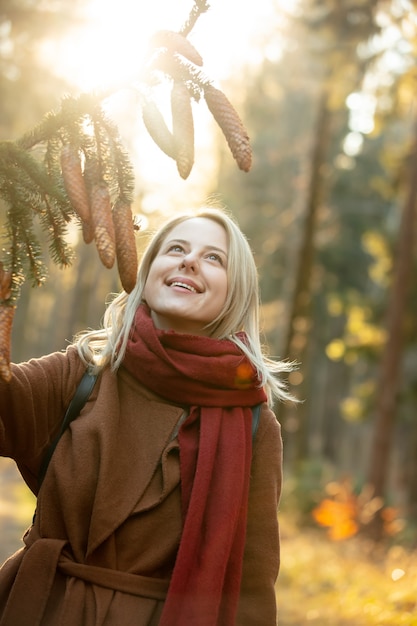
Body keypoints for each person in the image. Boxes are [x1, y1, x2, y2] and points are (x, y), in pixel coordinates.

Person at [0, 206, 294, 625]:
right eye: (176, 248)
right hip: (39, 608)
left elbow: (251, 584)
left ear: (235, 292)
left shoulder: (253, 425)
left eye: (214, 257)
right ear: (147, 270)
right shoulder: (84, 369)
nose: (189, 260)